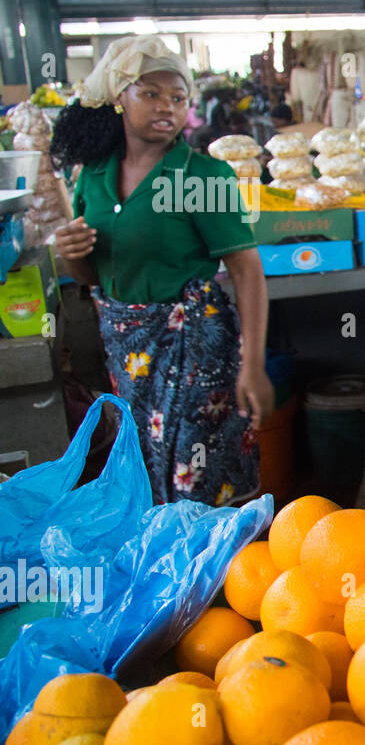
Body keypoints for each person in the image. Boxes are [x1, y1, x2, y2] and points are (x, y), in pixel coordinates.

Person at [50, 36, 273, 506]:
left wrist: (253, 365)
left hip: (193, 348)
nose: (166, 106)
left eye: (177, 97)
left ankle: (218, 573)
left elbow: (247, 270)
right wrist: (67, 254)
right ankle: (170, 571)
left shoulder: (202, 176)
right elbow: (91, 275)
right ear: (119, 99)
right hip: (126, 351)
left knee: (197, 476)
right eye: (150, 93)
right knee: (147, 471)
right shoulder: (92, 174)